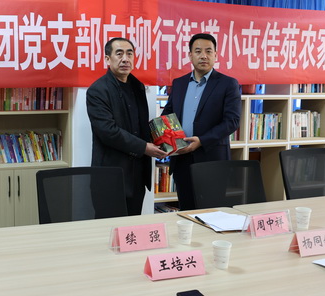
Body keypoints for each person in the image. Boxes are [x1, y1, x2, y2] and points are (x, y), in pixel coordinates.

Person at [86, 37, 167, 215]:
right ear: (108, 59)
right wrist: (144, 147)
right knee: (110, 228)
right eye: (119, 53)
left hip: (137, 175)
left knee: (132, 228)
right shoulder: (97, 90)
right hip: (110, 177)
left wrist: (165, 138)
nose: (125, 59)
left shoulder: (138, 87)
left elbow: (140, 126)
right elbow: (108, 132)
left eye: (129, 54)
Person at [162, 33, 241, 210]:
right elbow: (168, 114)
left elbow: (232, 121)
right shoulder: (179, 83)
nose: (203, 56)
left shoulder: (228, 84)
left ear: (216, 55)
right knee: (186, 210)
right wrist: (163, 139)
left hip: (212, 158)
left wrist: (202, 141)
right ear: (190, 55)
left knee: (212, 212)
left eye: (208, 51)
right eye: (198, 51)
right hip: (182, 158)